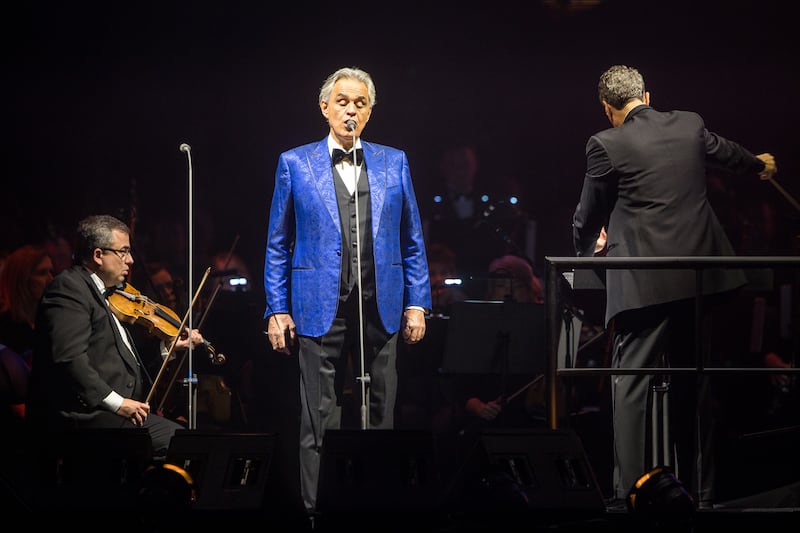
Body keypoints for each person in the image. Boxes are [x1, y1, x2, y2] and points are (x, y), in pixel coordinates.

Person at [572, 65, 778, 508]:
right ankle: (701, 492)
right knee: (694, 383)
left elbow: (588, 216)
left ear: (607, 108)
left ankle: (629, 494)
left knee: (630, 383)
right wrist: (759, 164)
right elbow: (727, 153)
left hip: (642, 284)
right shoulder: (689, 124)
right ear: (647, 96)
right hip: (697, 278)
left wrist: (588, 250)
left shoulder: (605, 143)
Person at [262, 66, 431, 515]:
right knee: (319, 415)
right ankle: (316, 510)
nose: (350, 109)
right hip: (317, 305)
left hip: (382, 303)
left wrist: (417, 302)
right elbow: (278, 243)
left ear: (370, 111)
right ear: (325, 108)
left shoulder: (394, 161)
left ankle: (376, 506)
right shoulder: (295, 163)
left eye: (360, 103)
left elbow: (413, 238)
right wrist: (276, 308)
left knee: (381, 410)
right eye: (342, 101)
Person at [26, 215, 206, 457]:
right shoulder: (69, 288)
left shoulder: (107, 294)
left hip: (108, 414)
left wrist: (169, 347)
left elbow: (118, 359)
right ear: (98, 255)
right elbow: (68, 358)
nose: (130, 260)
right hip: (82, 418)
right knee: (184, 445)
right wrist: (118, 403)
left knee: (194, 437)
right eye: (123, 252)